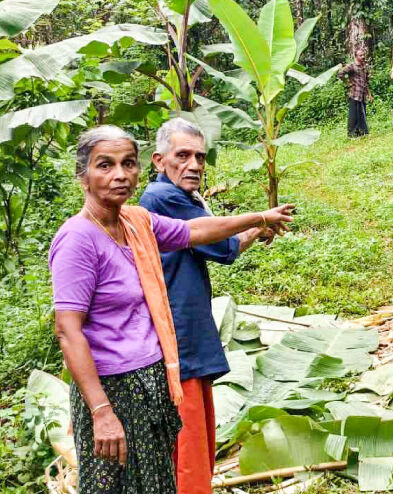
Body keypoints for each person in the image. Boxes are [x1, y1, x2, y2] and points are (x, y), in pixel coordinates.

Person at [49, 125, 294, 494]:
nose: (120, 174)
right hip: (114, 389)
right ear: (83, 176)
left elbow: (194, 232)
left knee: (159, 482)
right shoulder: (78, 239)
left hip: (153, 380)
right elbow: (68, 330)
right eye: (105, 165)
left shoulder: (136, 222)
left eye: (128, 163)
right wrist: (101, 412)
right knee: (115, 486)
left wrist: (259, 218)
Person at [138, 118, 274, 494]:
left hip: (188, 331)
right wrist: (259, 221)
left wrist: (255, 230)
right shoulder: (163, 199)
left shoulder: (178, 199)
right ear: (158, 160)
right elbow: (223, 244)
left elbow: (220, 245)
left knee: (193, 439)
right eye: (183, 155)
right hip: (179, 335)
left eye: (200, 156)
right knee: (188, 442)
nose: (194, 165)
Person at [338, 47, 372, 137]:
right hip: (355, 94)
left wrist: (369, 94)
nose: (363, 57)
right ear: (356, 56)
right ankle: (352, 134)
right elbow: (340, 74)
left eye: (363, 55)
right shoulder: (351, 66)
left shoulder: (364, 66)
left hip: (363, 94)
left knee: (362, 114)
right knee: (353, 115)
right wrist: (348, 83)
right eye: (360, 55)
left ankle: (362, 132)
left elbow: (366, 81)